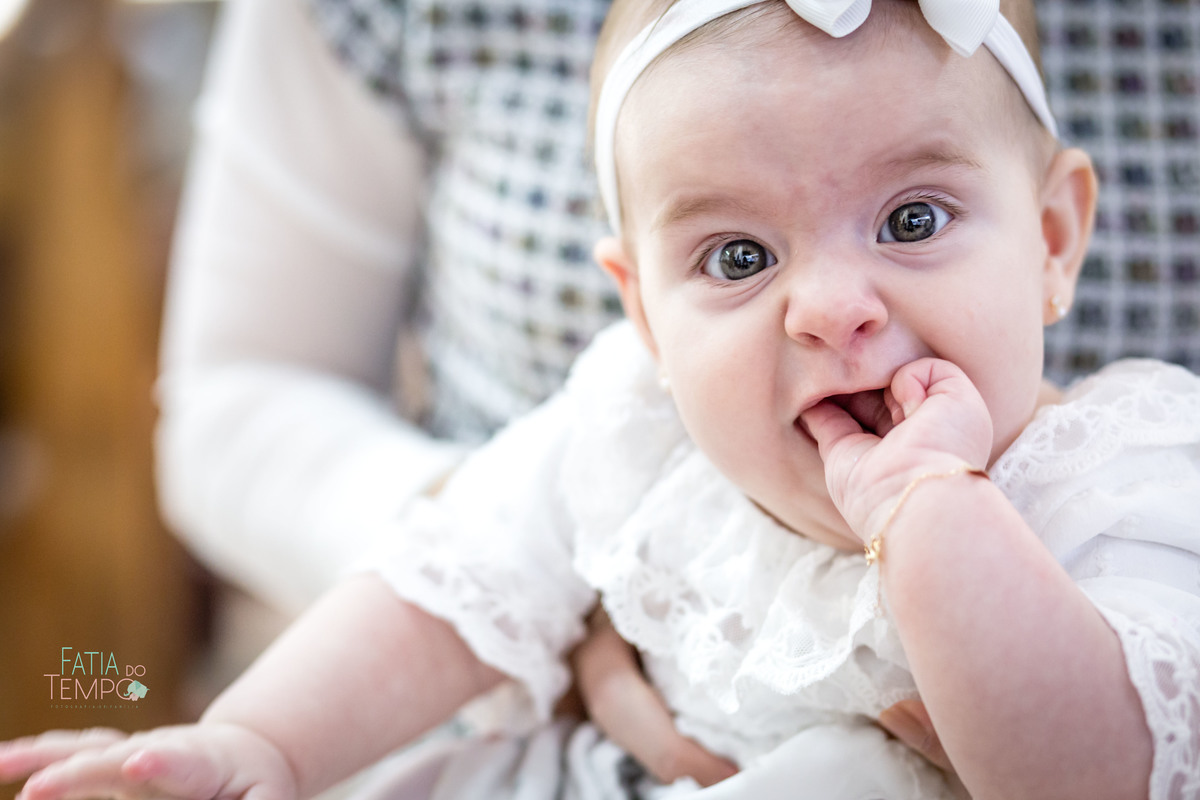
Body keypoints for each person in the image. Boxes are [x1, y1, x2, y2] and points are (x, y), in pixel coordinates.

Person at [7, 0, 1196, 797]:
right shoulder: (631, 425)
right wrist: (259, 738)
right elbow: (438, 591)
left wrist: (934, 503)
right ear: (639, 311)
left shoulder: (1125, 471)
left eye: (914, 220)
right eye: (737, 257)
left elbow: (1094, 774)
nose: (832, 307)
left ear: (1052, 237)